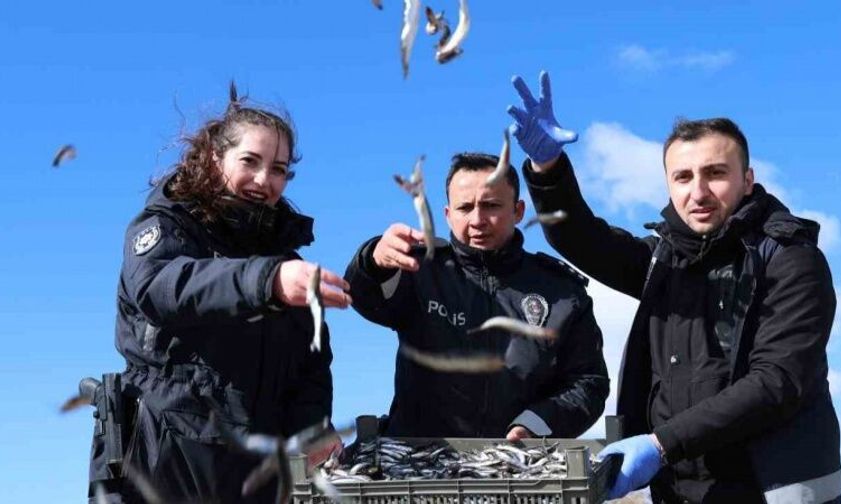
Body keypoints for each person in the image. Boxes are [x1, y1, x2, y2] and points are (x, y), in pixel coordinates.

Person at [507, 71, 841, 503]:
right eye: (682, 177)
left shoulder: (791, 259)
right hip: (678, 488)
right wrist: (548, 170)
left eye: (715, 173)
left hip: (768, 488)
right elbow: (581, 239)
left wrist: (658, 444)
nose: (698, 191)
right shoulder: (661, 260)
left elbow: (776, 382)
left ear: (748, 179)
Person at [87, 84, 352, 503]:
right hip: (163, 451)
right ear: (214, 159)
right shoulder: (165, 226)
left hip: (257, 465)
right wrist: (267, 282)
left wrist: (312, 424)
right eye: (250, 161)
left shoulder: (284, 257)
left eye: (279, 169)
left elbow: (311, 361)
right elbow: (162, 288)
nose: (264, 180)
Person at [344, 151, 609, 439]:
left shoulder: (561, 291)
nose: (477, 220)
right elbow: (362, 296)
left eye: (491, 205)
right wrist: (372, 259)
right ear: (447, 215)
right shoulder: (418, 270)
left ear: (518, 211)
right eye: (464, 208)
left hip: (524, 472)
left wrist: (535, 425)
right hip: (418, 469)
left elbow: (588, 382)